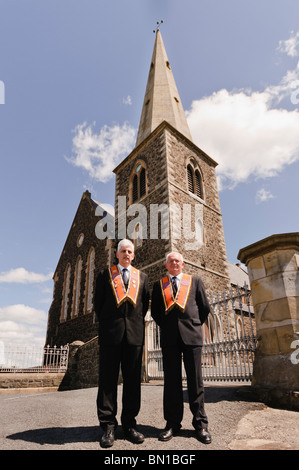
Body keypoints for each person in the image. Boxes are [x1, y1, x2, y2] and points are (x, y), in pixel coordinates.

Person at [151, 251, 211, 444]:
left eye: (177, 260)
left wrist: (193, 325)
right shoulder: (158, 285)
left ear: (182, 264)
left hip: (192, 337)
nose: (174, 263)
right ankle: (172, 424)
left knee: (195, 382)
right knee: (171, 383)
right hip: (170, 339)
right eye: (171, 261)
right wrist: (170, 327)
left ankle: (200, 424)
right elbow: (156, 313)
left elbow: (204, 308)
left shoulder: (195, 281)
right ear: (166, 265)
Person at [94, 239, 150, 448]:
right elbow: (98, 305)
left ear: (133, 255)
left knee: (133, 383)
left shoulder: (142, 277)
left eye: (130, 251)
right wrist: (111, 324)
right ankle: (108, 426)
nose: (126, 254)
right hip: (111, 335)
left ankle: (129, 424)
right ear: (116, 254)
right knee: (107, 382)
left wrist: (132, 325)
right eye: (123, 251)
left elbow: (143, 306)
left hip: (134, 337)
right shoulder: (104, 275)